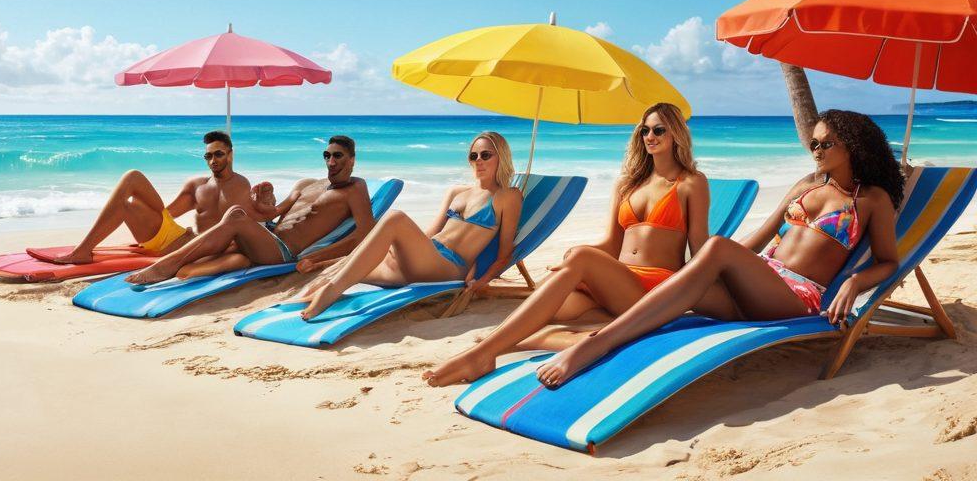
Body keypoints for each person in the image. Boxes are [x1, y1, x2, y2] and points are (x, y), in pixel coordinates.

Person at [529, 109, 903, 389]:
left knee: (716, 250)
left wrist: (854, 283)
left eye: (827, 143)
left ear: (853, 146)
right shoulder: (805, 184)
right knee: (681, 283)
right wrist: (709, 265)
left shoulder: (871, 199)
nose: (817, 150)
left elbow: (888, 261)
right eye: (814, 143)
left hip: (794, 295)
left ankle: (594, 345)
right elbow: (759, 237)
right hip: (755, 282)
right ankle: (587, 336)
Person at [423, 103, 709, 387]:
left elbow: (700, 253)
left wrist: (697, 300)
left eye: (659, 130)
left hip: (654, 289)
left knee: (579, 261)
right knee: (556, 304)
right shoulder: (627, 184)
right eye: (644, 130)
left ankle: (482, 354)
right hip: (617, 283)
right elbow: (611, 244)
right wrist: (574, 257)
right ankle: (522, 342)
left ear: (676, 134)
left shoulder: (691, 183)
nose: (650, 136)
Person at [296, 130, 523, 321]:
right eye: (474, 156)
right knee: (335, 272)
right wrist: (399, 247)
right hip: (421, 260)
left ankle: (330, 293)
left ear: (500, 157)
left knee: (395, 218)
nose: (479, 161)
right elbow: (431, 233)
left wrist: (481, 282)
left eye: (486, 155)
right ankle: (302, 298)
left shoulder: (508, 196)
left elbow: (504, 254)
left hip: (447, 267)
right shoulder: (457, 192)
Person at [124, 135, 374, 285]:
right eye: (327, 155)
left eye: (338, 156)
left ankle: (164, 267)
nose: (331, 162)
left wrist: (315, 259)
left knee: (234, 215)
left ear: (352, 159)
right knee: (221, 230)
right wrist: (261, 204)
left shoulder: (355, 188)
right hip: (268, 234)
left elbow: (364, 235)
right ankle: (179, 265)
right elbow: (275, 213)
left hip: (282, 251)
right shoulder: (307, 185)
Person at [50, 130, 273, 265]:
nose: (212, 160)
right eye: (208, 156)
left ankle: (82, 251)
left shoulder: (243, 185)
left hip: (187, 249)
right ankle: (83, 251)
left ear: (230, 154)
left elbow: (247, 229)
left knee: (128, 198)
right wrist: (144, 213)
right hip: (173, 236)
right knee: (132, 179)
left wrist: (265, 206)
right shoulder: (197, 185)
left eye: (218, 154)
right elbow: (168, 213)